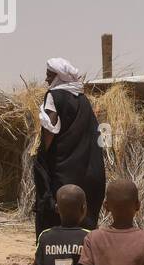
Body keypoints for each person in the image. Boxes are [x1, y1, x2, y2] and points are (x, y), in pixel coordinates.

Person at [33, 58, 105, 235]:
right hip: (87, 170)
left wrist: (42, 157)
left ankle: (49, 252)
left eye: (50, 76)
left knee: (55, 209)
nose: (47, 80)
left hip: (62, 170)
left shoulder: (53, 97)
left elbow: (50, 129)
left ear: (59, 77)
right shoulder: (83, 100)